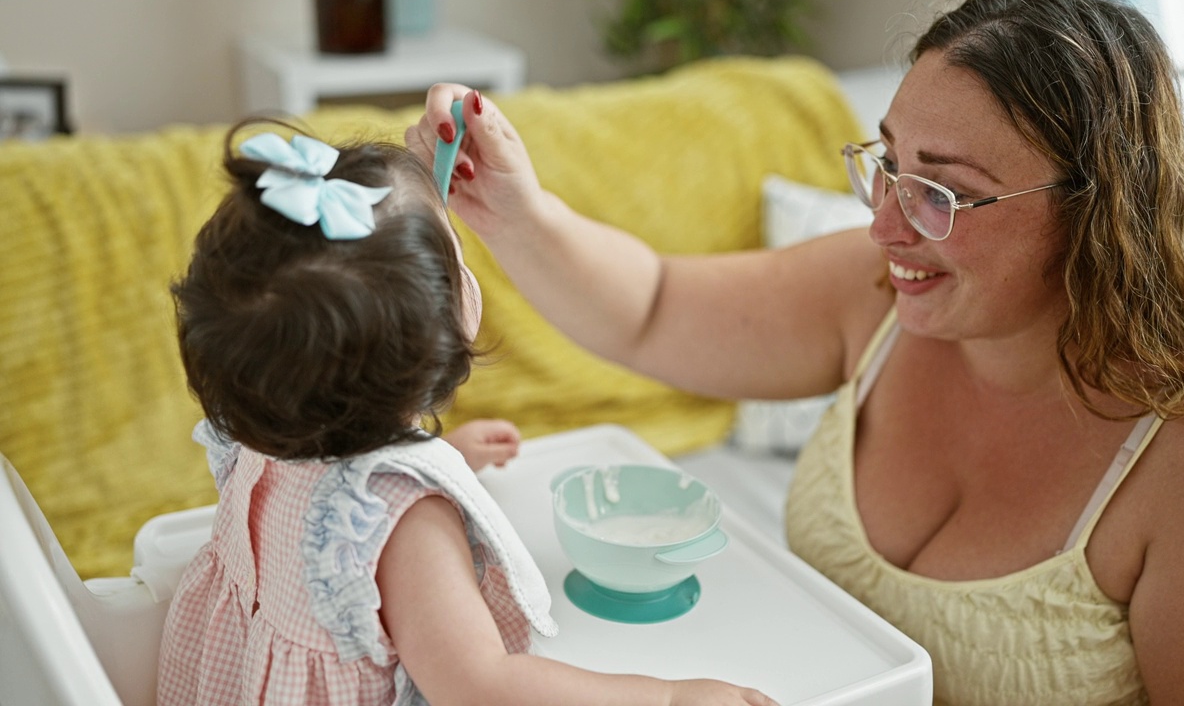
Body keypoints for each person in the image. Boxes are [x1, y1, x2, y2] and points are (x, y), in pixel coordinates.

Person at [406, 0, 1184, 704]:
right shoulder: (884, 292)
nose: (885, 222)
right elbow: (652, 308)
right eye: (887, 165)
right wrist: (514, 208)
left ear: (1098, 213)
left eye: (940, 192)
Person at [158, 118, 777, 706]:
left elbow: (338, 493)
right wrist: (667, 697)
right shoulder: (412, 527)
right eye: (454, 254)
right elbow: (481, 687)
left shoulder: (263, 429)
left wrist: (444, 458)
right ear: (438, 343)